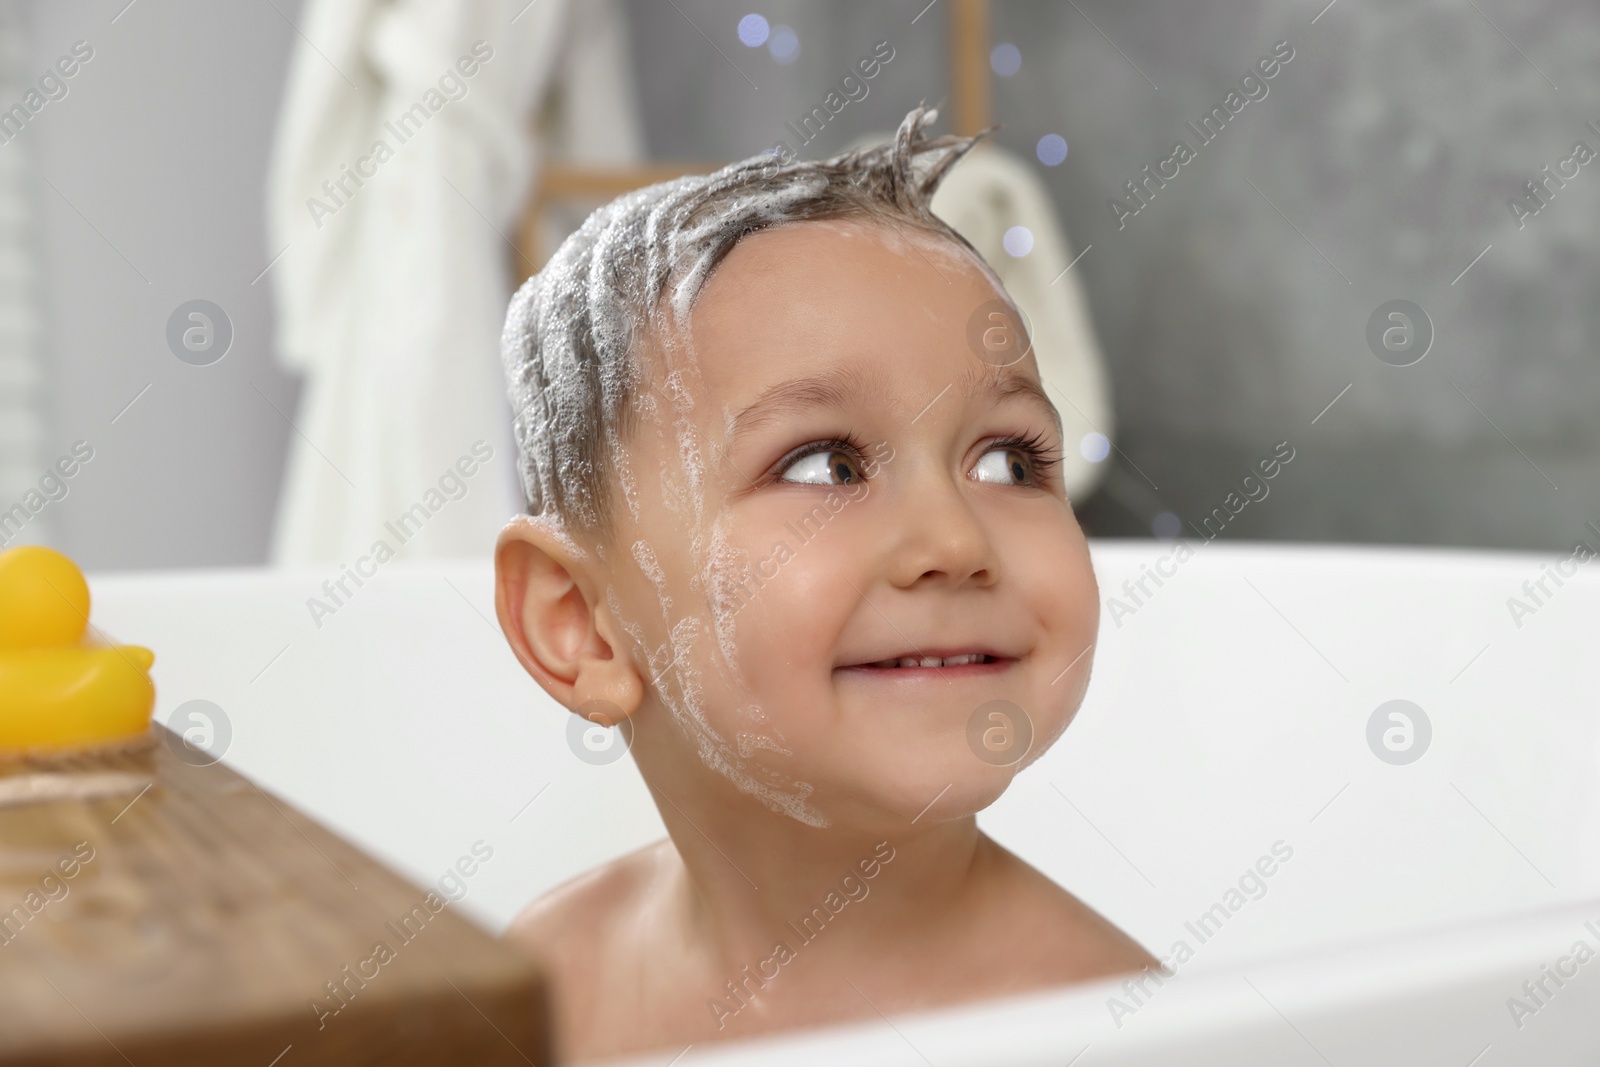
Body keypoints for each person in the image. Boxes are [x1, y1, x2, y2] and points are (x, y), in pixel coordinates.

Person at [492, 104, 1155, 1062]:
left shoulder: (1119, 1030)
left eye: (1008, 460)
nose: (952, 538)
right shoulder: (556, 977)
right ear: (582, 626)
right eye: (825, 466)